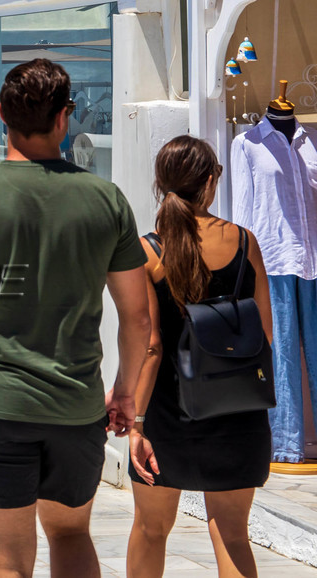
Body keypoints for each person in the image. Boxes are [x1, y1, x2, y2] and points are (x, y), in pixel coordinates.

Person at [0, 58, 151, 578]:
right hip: (75, 407)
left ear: (1, 113)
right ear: (65, 117)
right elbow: (137, 318)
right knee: (70, 535)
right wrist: (126, 392)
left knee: (9, 563)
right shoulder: (105, 199)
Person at [127, 136, 272, 578]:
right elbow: (264, 333)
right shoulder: (245, 242)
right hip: (236, 410)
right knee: (231, 533)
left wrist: (135, 424)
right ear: (210, 182)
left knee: (151, 529)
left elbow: (149, 345)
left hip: (168, 416)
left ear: (161, 184)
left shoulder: (148, 251)